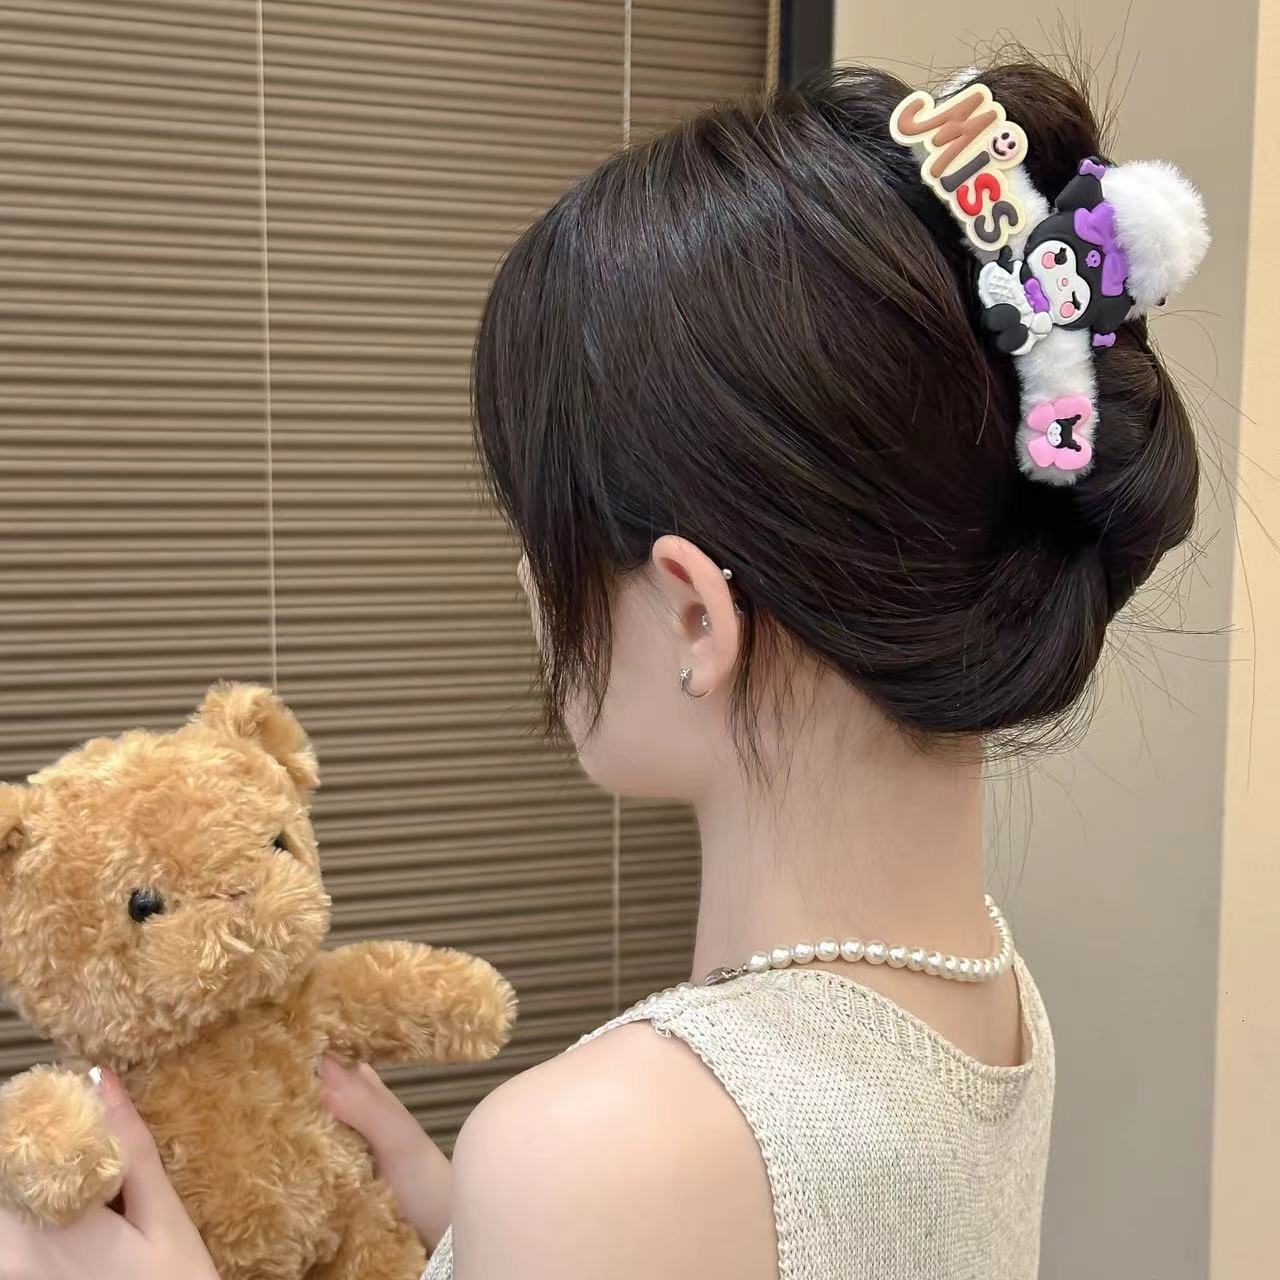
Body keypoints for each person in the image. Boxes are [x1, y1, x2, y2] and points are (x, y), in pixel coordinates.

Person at [0, 59, 1202, 1280]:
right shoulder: (988, 997)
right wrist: (473, 1230)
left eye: (542, 528)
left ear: (691, 613)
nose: (529, 580)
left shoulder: (604, 1146)